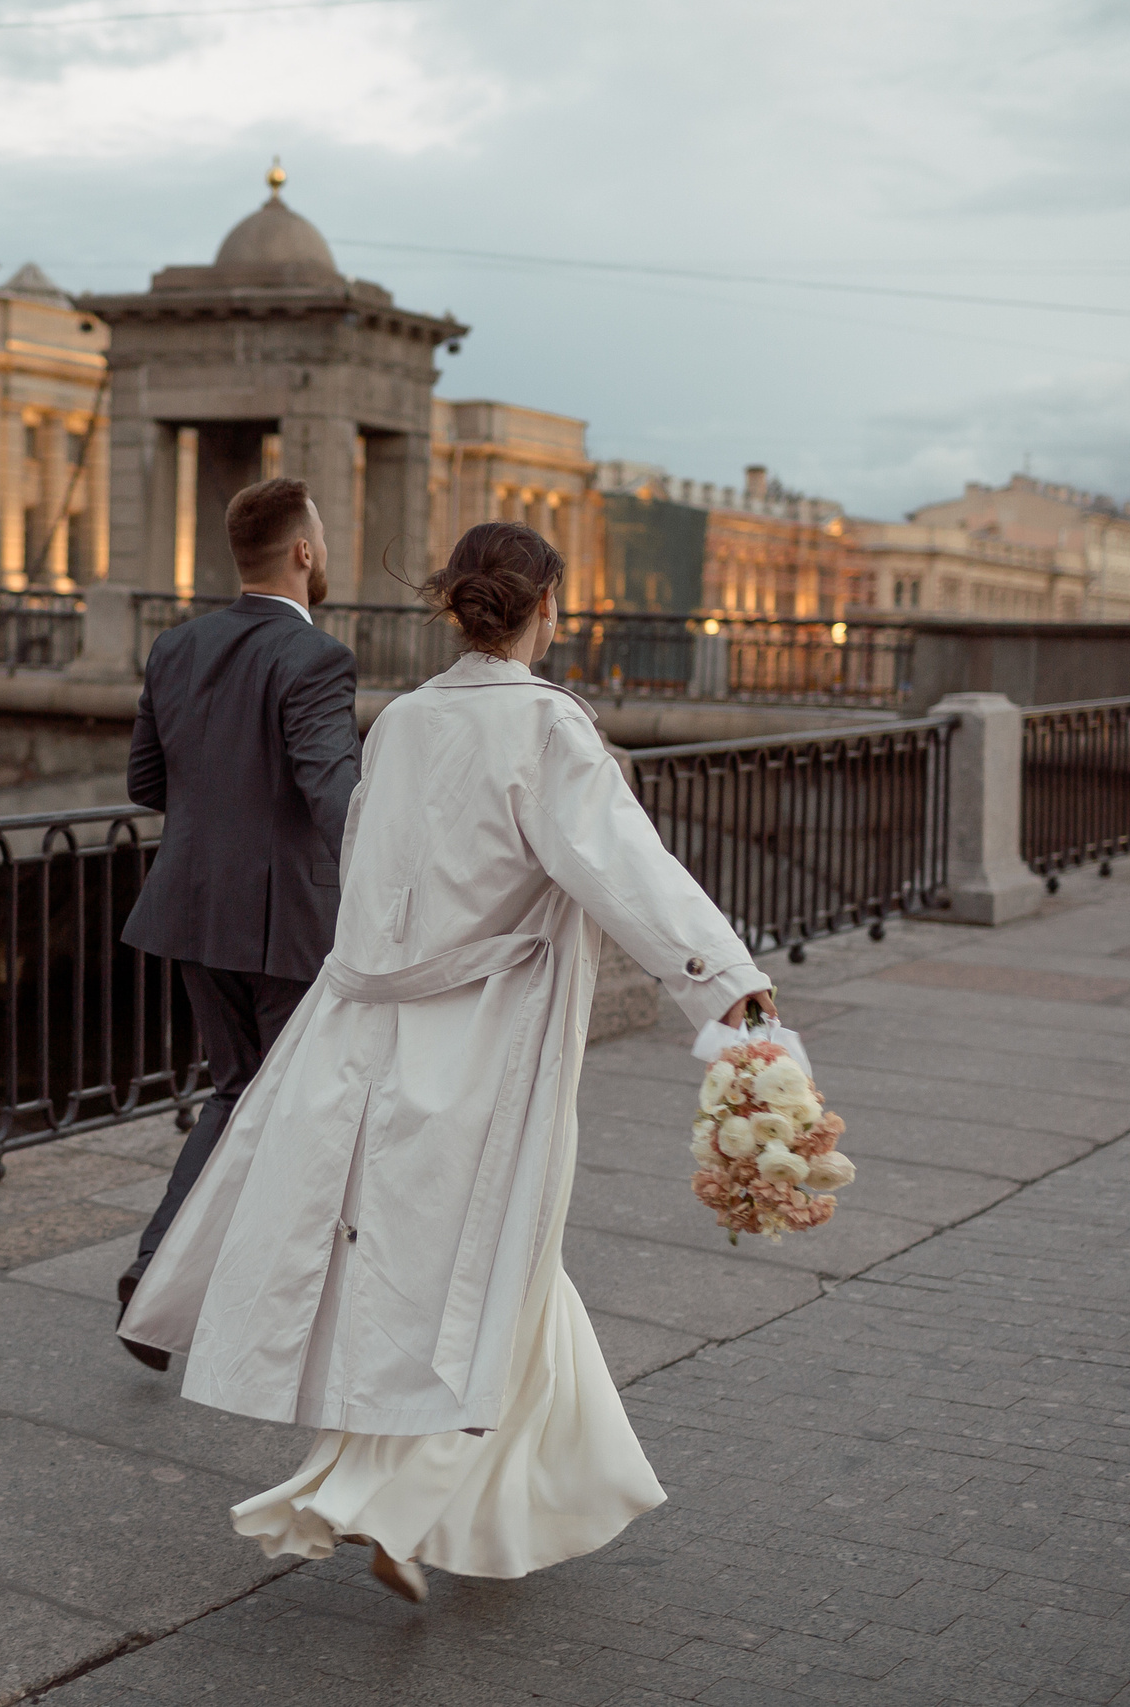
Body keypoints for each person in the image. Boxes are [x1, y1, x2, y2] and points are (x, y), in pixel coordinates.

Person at [120, 521, 774, 1604]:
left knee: (468, 1263)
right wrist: (724, 984)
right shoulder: (548, 729)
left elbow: (367, 883)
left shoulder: (407, 721)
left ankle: (484, 1496)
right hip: (488, 1037)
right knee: (489, 1259)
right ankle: (392, 1497)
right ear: (546, 605)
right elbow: (627, 869)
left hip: (376, 1026)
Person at [113, 476, 360, 1373]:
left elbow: (146, 783)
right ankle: (168, 1276)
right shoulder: (316, 660)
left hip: (189, 909)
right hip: (284, 924)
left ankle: (170, 1280)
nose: (324, 550)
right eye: (322, 538)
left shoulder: (177, 646)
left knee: (241, 1093)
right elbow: (334, 793)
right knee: (284, 1102)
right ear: (302, 550)